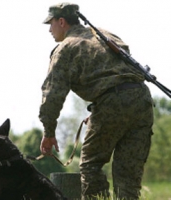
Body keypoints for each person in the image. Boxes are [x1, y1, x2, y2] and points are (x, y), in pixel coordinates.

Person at [39, 2, 154, 200]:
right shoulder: (104, 34)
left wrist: (49, 132)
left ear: (61, 21)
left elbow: (52, 94)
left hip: (112, 103)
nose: (49, 29)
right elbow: (120, 69)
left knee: (91, 164)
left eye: (51, 24)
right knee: (128, 175)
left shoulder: (65, 49)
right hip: (142, 100)